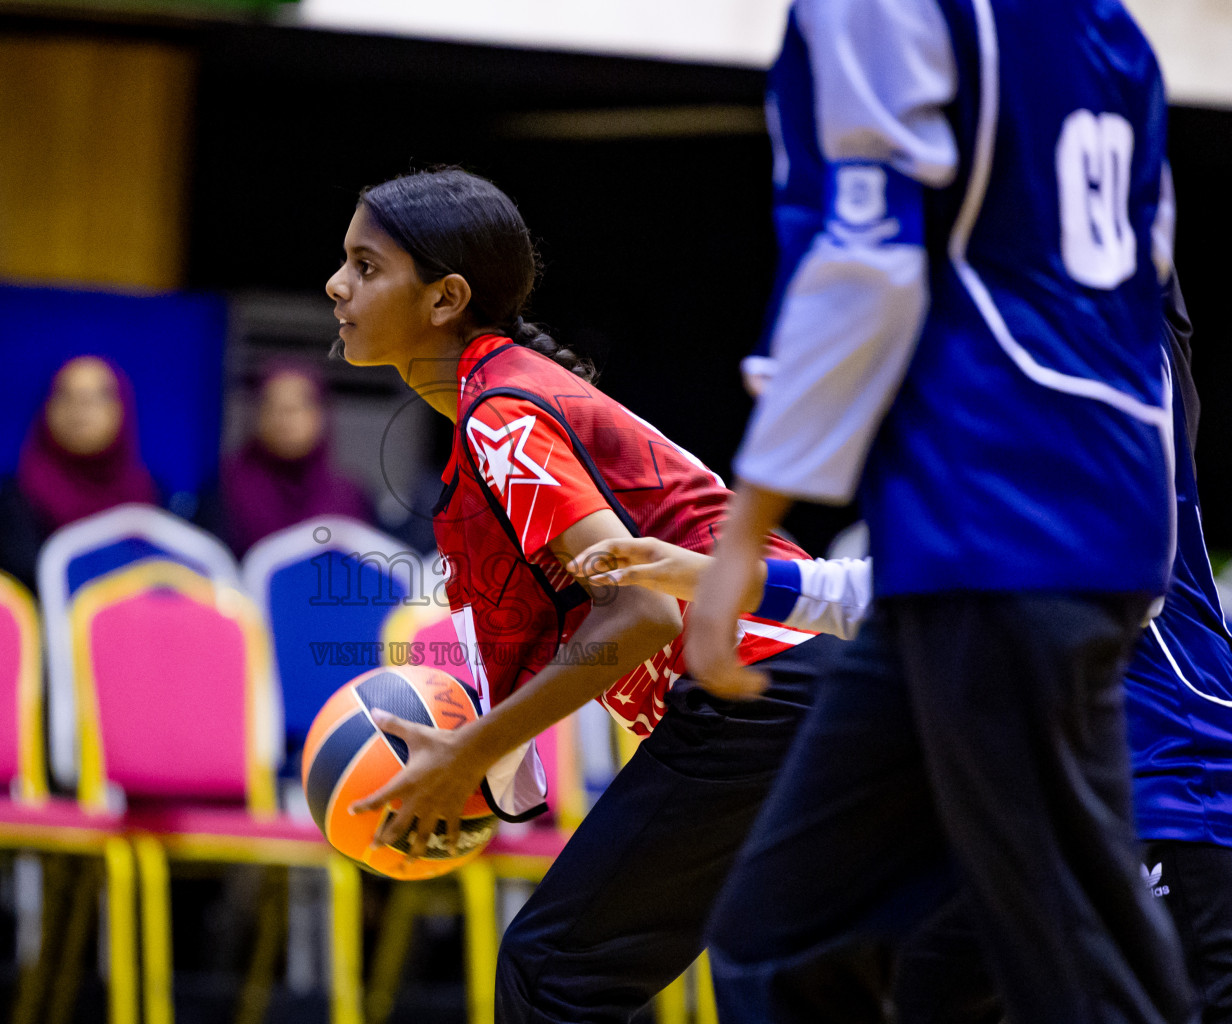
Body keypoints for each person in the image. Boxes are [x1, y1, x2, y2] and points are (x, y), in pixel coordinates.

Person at [680, 2, 1194, 1022]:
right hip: (1076, 518)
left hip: (1000, 523)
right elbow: (1149, 285)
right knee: (785, 938)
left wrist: (748, 529)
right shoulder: (1114, 27)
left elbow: (869, 258)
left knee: (1082, 972)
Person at [325, 167, 845, 1023]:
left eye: (366, 265)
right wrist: (481, 756)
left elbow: (641, 608)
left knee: (555, 974)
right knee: (809, 982)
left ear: (445, 297)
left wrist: (468, 751)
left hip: (760, 696)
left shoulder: (502, 412)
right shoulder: (495, 410)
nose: (337, 285)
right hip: (801, 696)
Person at [0, 356, 157, 592]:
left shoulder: (150, 497)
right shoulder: (16, 499)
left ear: (123, 408)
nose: (80, 408)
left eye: (98, 397)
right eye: (66, 396)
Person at [196, 360, 372, 558]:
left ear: (322, 416)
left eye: (299, 406)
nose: (286, 417)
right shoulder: (225, 488)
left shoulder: (350, 498)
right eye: (273, 406)